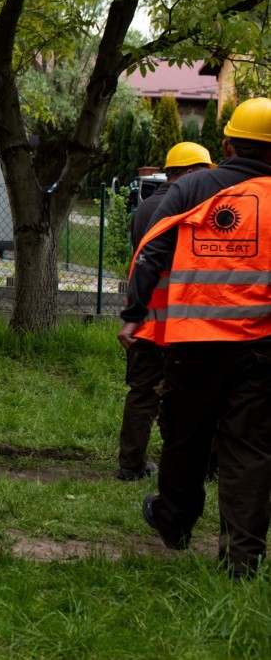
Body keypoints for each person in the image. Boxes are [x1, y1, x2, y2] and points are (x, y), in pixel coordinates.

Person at [118, 98, 271, 580]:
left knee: (186, 435)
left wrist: (134, 313)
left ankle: (175, 521)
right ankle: (242, 560)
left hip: (194, 342)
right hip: (261, 345)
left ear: (226, 143)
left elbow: (150, 252)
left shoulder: (195, 188)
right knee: (249, 448)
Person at [115, 141, 214, 482]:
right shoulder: (197, 210)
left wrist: (133, 313)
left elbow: (142, 260)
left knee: (141, 394)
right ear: (188, 173)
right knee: (187, 397)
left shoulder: (144, 209)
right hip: (183, 324)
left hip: (145, 322)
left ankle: (130, 464)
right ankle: (194, 467)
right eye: (203, 172)